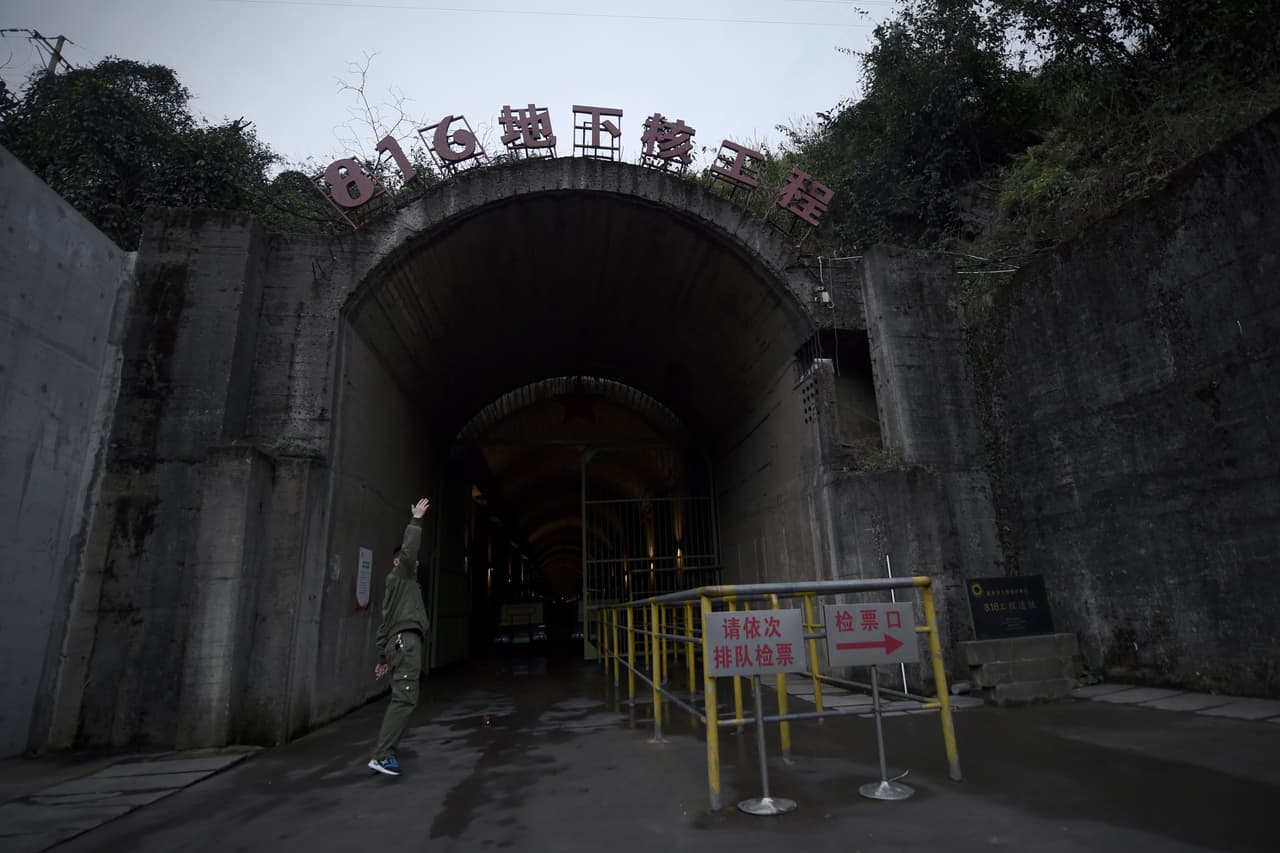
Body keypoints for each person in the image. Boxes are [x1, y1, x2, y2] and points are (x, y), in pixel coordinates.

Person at [368, 497, 431, 776]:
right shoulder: (402, 575)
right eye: (409, 561)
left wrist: (382, 656)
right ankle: (383, 755)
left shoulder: (398, 588)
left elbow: (384, 625)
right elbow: (409, 551)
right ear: (398, 561)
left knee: (404, 697)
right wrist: (416, 520)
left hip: (398, 643)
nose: (415, 564)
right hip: (406, 643)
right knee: (405, 698)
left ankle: (384, 753)